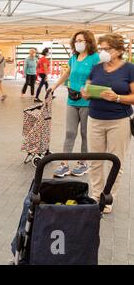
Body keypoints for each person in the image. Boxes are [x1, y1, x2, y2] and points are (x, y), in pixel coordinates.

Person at [81, 33, 134, 214]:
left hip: (119, 121)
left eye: (107, 49)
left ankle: (108, 196)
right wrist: (85, 92)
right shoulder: (96, 68)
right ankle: (96, 195)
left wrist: (118, 97)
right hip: (95, 118)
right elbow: (86, 89)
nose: (103, 52)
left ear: (119, 50)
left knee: (115, 161)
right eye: (101, 49)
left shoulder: (129, 69)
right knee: (94, 160)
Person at [51, 30, 100, 178]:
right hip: (72, 100)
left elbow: (100, 76)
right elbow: (67, 73)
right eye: (76, 40)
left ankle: (83, 163)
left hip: (87, 102)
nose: (78, 43)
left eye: (81, 40)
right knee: (70, 132)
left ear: (88, 42)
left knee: (85, 134)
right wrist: (54, 86)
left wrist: (91, 89)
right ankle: (64, 164)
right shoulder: (74, 57)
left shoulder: (95, 58)